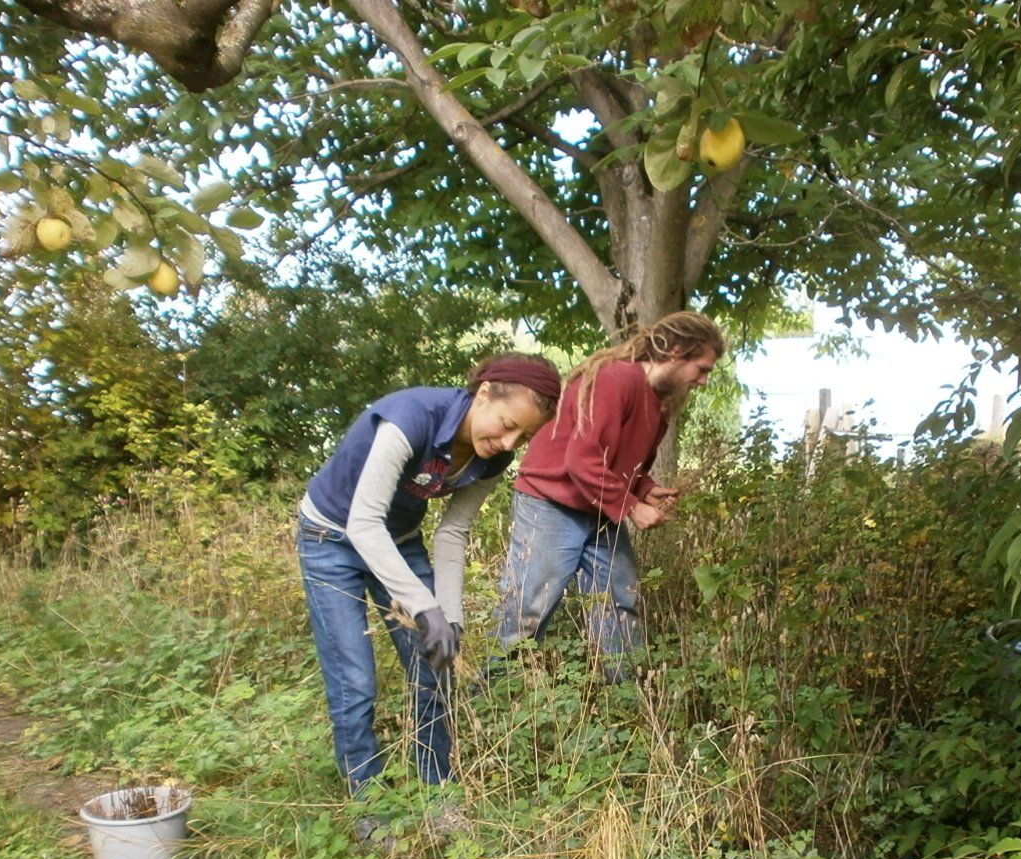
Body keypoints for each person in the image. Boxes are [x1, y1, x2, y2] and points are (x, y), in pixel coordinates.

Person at [296, 354, 561, 795]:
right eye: (507, 423)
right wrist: (424, 607)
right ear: (484, 393)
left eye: (524, 436)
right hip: (331, 537)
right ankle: (369, 803)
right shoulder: (410, 419)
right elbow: (363, 523)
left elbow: (453, 533)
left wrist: (449, 616)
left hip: (399, 539)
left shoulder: (490, 459)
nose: (509, 442)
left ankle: (437, 787)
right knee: (355, 681)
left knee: (436, 665)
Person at [492, 312, 725, 674]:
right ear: (676, 351)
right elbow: (582, 461)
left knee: (619, 600)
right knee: (528, 609)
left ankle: (627, 702)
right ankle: (487, 699)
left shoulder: (658, 405)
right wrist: (632, 507)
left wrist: (647, 490)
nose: (704, 381)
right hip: (551, 502)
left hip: (598, 509)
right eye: (702, 368)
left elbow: (624, 466)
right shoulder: (617, 378)